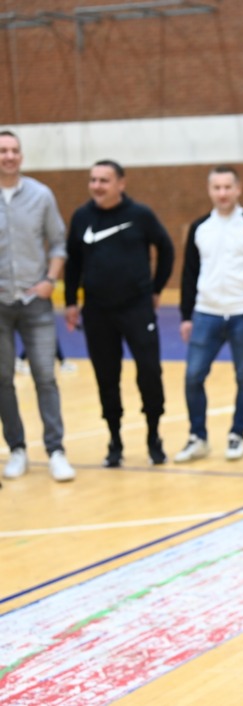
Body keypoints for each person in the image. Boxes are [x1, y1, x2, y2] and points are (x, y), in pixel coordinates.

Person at [65, 159, 175, 468]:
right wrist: (71, 301)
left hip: (137, 308)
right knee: (106, 376)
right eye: (93, 180)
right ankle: (114, 440)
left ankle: (153, 436)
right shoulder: (82, 217)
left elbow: (166, 249)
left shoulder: (140, 215)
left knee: (149, 372)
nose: (97, 186)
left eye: (104, 180)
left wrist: (156, 289)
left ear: (121, 184)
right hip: (97, 311)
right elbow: (73, 262)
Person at [174, 166, 243, 463]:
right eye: (216, 187)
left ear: (238, 189)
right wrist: (186, 315)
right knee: (193, 376)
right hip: (205, 313)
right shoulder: (200, 227)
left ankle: (237, 435)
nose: (222, 193)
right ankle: (197, 437)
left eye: (227, 187)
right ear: (210, 190)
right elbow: (189, 274)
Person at [0, 129, 77, 482]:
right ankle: (16, 449)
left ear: (21, 155)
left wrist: (50, 280)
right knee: (3, 380)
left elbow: (59, 243)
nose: (9, 156)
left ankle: (56, 450)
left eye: (14, 150)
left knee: (45, 376)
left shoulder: (41, 195)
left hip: (36, 302)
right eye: (3, 150)